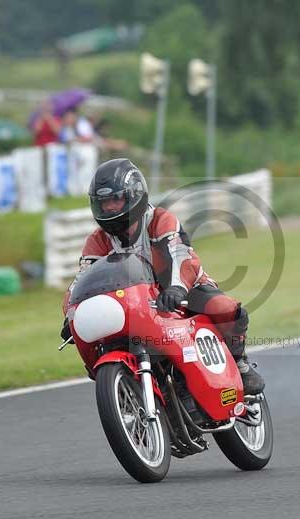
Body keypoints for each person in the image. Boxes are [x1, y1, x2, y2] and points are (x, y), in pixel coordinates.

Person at [61, 158, 265, 394]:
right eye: (103, 203)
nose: (109, 208)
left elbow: (180, 256)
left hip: (183, 289)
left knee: (226, 309)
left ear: (134, 194)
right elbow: (83, 280)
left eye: (115, 200)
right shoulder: (97, 240)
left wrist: (177, 288)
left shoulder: (159, 220)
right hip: (134, 300)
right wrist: (72, 314)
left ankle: (239, 364)